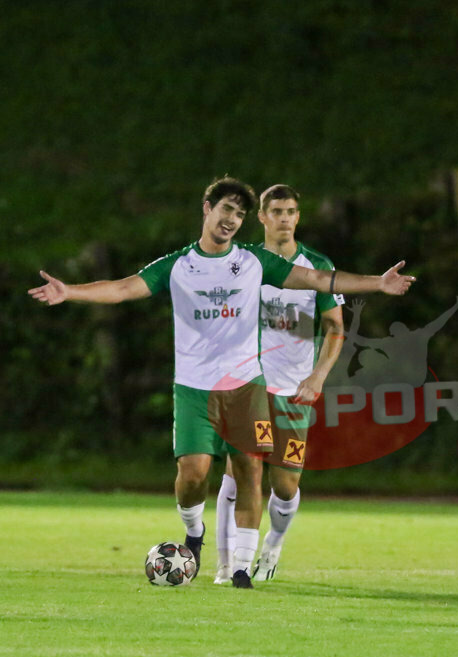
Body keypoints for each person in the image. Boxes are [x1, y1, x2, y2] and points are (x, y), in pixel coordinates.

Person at [29, 176, 415, 589]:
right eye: (226, 209)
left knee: (254, 473)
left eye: (240, 214)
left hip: (248, 387)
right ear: (206, 209)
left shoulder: (254, 263)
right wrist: (69, 291)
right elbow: (123, 288)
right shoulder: (177, 266)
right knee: (194, 476)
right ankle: (194, 533)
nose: (232, 219)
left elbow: (319, 282)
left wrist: (377, 283)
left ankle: (240, 569)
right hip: (194, 388)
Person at [214, 184, 344, 584]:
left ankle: (274, 543)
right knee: (238, 474)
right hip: (247, 386)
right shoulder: (244, 262)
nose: (285, 218)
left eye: (291, 211)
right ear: (263, 218)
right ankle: (227, 564)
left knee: (284, 486)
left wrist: (317, 376)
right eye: (277, 211)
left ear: (297, 218)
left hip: (293, 391)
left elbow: (336, 328)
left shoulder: (317, 266)